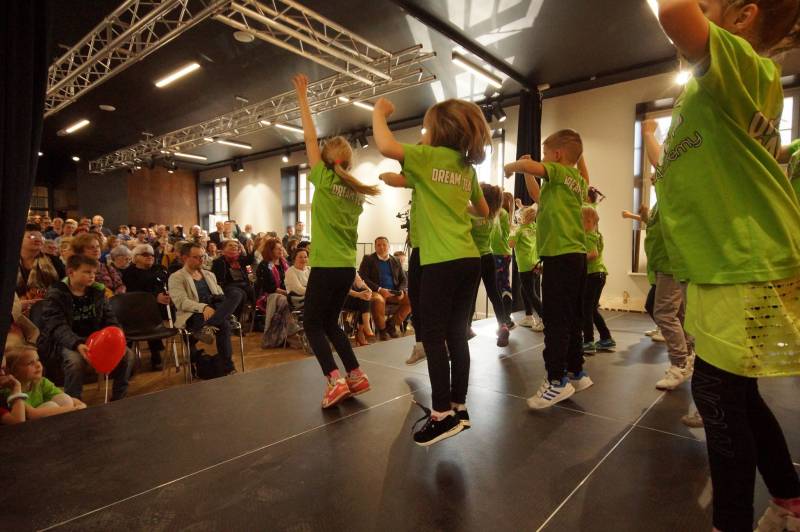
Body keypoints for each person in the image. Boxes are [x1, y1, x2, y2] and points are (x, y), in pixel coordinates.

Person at [655, 2, 800, 530]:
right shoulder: (716, 86)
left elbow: (672, 11)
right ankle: (789, 499)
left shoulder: (743, 63)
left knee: (717, 397)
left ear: (742, 17)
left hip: (741, 263)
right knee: (738, 393)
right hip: (724, 264)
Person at [374, 95, 489, 446]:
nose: (423, 134)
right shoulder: (465, 168)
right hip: (468, 259)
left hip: (441, 260)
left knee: (434, 337)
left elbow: (386, 145)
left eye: (426, 128)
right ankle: (459, 407)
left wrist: (379, 112)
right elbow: (483, 210)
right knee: (457, 333)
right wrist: (453, 206)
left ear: (438, 131)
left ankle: (441, 414)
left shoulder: (428, 157)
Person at [294, 73, 378, 408]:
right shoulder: (356, 191)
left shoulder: (324, 179)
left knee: (312, 324)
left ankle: (334, 380)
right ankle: (355, 374)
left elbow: (309, 137)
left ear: (327, 160)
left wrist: (303, 96)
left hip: (327, 266)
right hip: (345, 268)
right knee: (331, 323)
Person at [504, 131, 591, 409]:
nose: (542, 159)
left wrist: (512, 167)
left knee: (555, 320)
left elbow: (531, 166)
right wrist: (526, 172)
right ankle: (576, 371)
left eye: (545, 154)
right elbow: (537, 195)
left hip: (560, 256)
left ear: (557, 155)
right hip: (575, 256)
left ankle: (556, 381)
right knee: (572, 317)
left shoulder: (558, 171)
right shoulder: (575, 182)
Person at [36, 254, 135, 401]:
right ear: (71, 272)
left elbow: (109, 318)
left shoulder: (97, 291)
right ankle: (74, 401)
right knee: (75, 362)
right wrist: (76, 344)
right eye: (87, 272)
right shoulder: (57, 293)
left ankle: (119, 398)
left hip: (95, 338)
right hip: (65, 341)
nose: (92, 276)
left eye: (94, 272)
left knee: (127, 355)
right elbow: (56, 326)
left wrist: (117, 335)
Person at [641, 119, 694, 391]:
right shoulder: (662, 203)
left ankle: (680, 362)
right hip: (665, 264)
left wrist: (648, 132)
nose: (655, 176)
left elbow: (660, 161)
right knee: (679, 314)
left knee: (663, 313)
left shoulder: (674, 194)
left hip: (672, 264)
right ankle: (689, 355)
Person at [169, 242, 244, 376]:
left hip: (214, 310)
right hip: (193, 313)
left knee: (237, 293)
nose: (201, 260)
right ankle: (228, 368)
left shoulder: (209, 275)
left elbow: (219, 293)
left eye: (203, 256)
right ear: (185, 258)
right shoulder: (176, 277)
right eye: (197, 257)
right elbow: (181, 302)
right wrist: (203, 307)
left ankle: (210, 324)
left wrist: (219, 301)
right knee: (224, 325)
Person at [468, 183, 513, 346]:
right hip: (489, 257)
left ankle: (467, 327)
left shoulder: (471, 214)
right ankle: (502, 325)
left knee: (471, 295)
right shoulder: (492, 215)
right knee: (494, 294)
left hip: (474, 258)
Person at [121, 244, 171, 370]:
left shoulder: (160, 268)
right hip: (138, 308)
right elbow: (133, 293)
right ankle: (155, 352)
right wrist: (155, 297)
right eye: (145, 254)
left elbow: (168, 284)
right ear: (135, 257)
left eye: (152, 254)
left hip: (165, 306)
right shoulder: (129, 273)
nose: (150, 257)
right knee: (147, 309)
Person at [1, 346, 86, 418]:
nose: (38, 365)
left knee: (64, 398)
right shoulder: (11, 390)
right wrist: (73, 409)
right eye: (30, 363)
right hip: (29, 426)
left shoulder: (41, 382)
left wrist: (81, 405)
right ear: (14, 371)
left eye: (38, 360)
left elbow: (69, 399)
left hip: (47, 418)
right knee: (52, 405)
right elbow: (33, 414)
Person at [358, 236, 411, 340]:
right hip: (376, 291)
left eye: (384, 245)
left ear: (388, 246)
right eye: (379, 245)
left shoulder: (395, 260)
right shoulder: (368, 259)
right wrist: (379, 289)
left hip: (393, 292)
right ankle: (382, 330)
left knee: (411, 300)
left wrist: (400, 291)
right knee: (378, 301)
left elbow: (403, 279)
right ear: (375, 247)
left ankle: (391, 324)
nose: (382, 247)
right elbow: (363, 277)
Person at [580, 206, 615, 352]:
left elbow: (593, 254)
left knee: (586, 310)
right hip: (600, 275)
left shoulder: (588, 236)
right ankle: (606, 338)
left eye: (580, 221)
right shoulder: (597, 235)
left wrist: (579, 259)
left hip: (593, 275)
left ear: (589, 222)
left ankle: (588, 341)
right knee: (592, 309)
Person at [254, 238, 295, 348]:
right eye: (277, 249)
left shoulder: (284, 263)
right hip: (267, 295)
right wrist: (287, 293)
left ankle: (280, 335)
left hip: (284, 293)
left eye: (281, 248)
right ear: (270, 250)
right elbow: (270, 288)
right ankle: (283, 334)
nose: (281, 250)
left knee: (289, 300)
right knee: (284, 301)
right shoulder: (264, 265)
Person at [509, 205, 544, 332]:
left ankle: (545, 319)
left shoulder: (518, 230)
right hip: (536, 264)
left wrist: (512, 230)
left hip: (525, 266)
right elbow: (530, 211)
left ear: (523, 217)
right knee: (524, 290)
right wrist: (520, 206)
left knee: (531, 294)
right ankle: (529, 317)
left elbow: (511, 244)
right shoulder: (535, 227)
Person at [17, 223, 66, 313]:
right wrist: (17, 304)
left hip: (49, 310)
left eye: (41, 237)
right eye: (32, 236)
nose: (38, 239)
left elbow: (65, 285)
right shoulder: (8, 263)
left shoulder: (53, 261)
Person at [71, 233, 125, 297]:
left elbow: (120, 285)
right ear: (80, 251)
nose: (96, 250)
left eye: (97, 246)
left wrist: (114, 297)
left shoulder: (107, 267)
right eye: (91, 247)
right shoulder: (76, 270)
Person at [211, 239, 255, 318]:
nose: (233, 247)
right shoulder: (219, 261)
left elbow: (250, 260)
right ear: (224, 248)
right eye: (230, 245)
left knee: (254, 291)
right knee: (242, 294)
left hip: (243, 284)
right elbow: (215, 277)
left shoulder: (240, 259)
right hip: (228, 285)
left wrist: (250, 249)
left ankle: (254, 316)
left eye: (235, 245)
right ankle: (235, 318)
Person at [491, 192, 516, 330]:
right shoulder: (505, 214)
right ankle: (506, 318)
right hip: (503, 253)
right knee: (503, 285)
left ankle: (506, 319)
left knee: (502, 286)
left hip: (499, 253)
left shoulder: (501, 213)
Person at [342, 272, 375, 346]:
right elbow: (341, 288)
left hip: (352, 296)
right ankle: (363, 330)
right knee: (363, 298)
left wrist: (368, 289)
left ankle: (363, 329)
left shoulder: (350, 267)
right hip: (338, 298)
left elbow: (359, 283)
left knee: (365, 297)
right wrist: (358, 294)